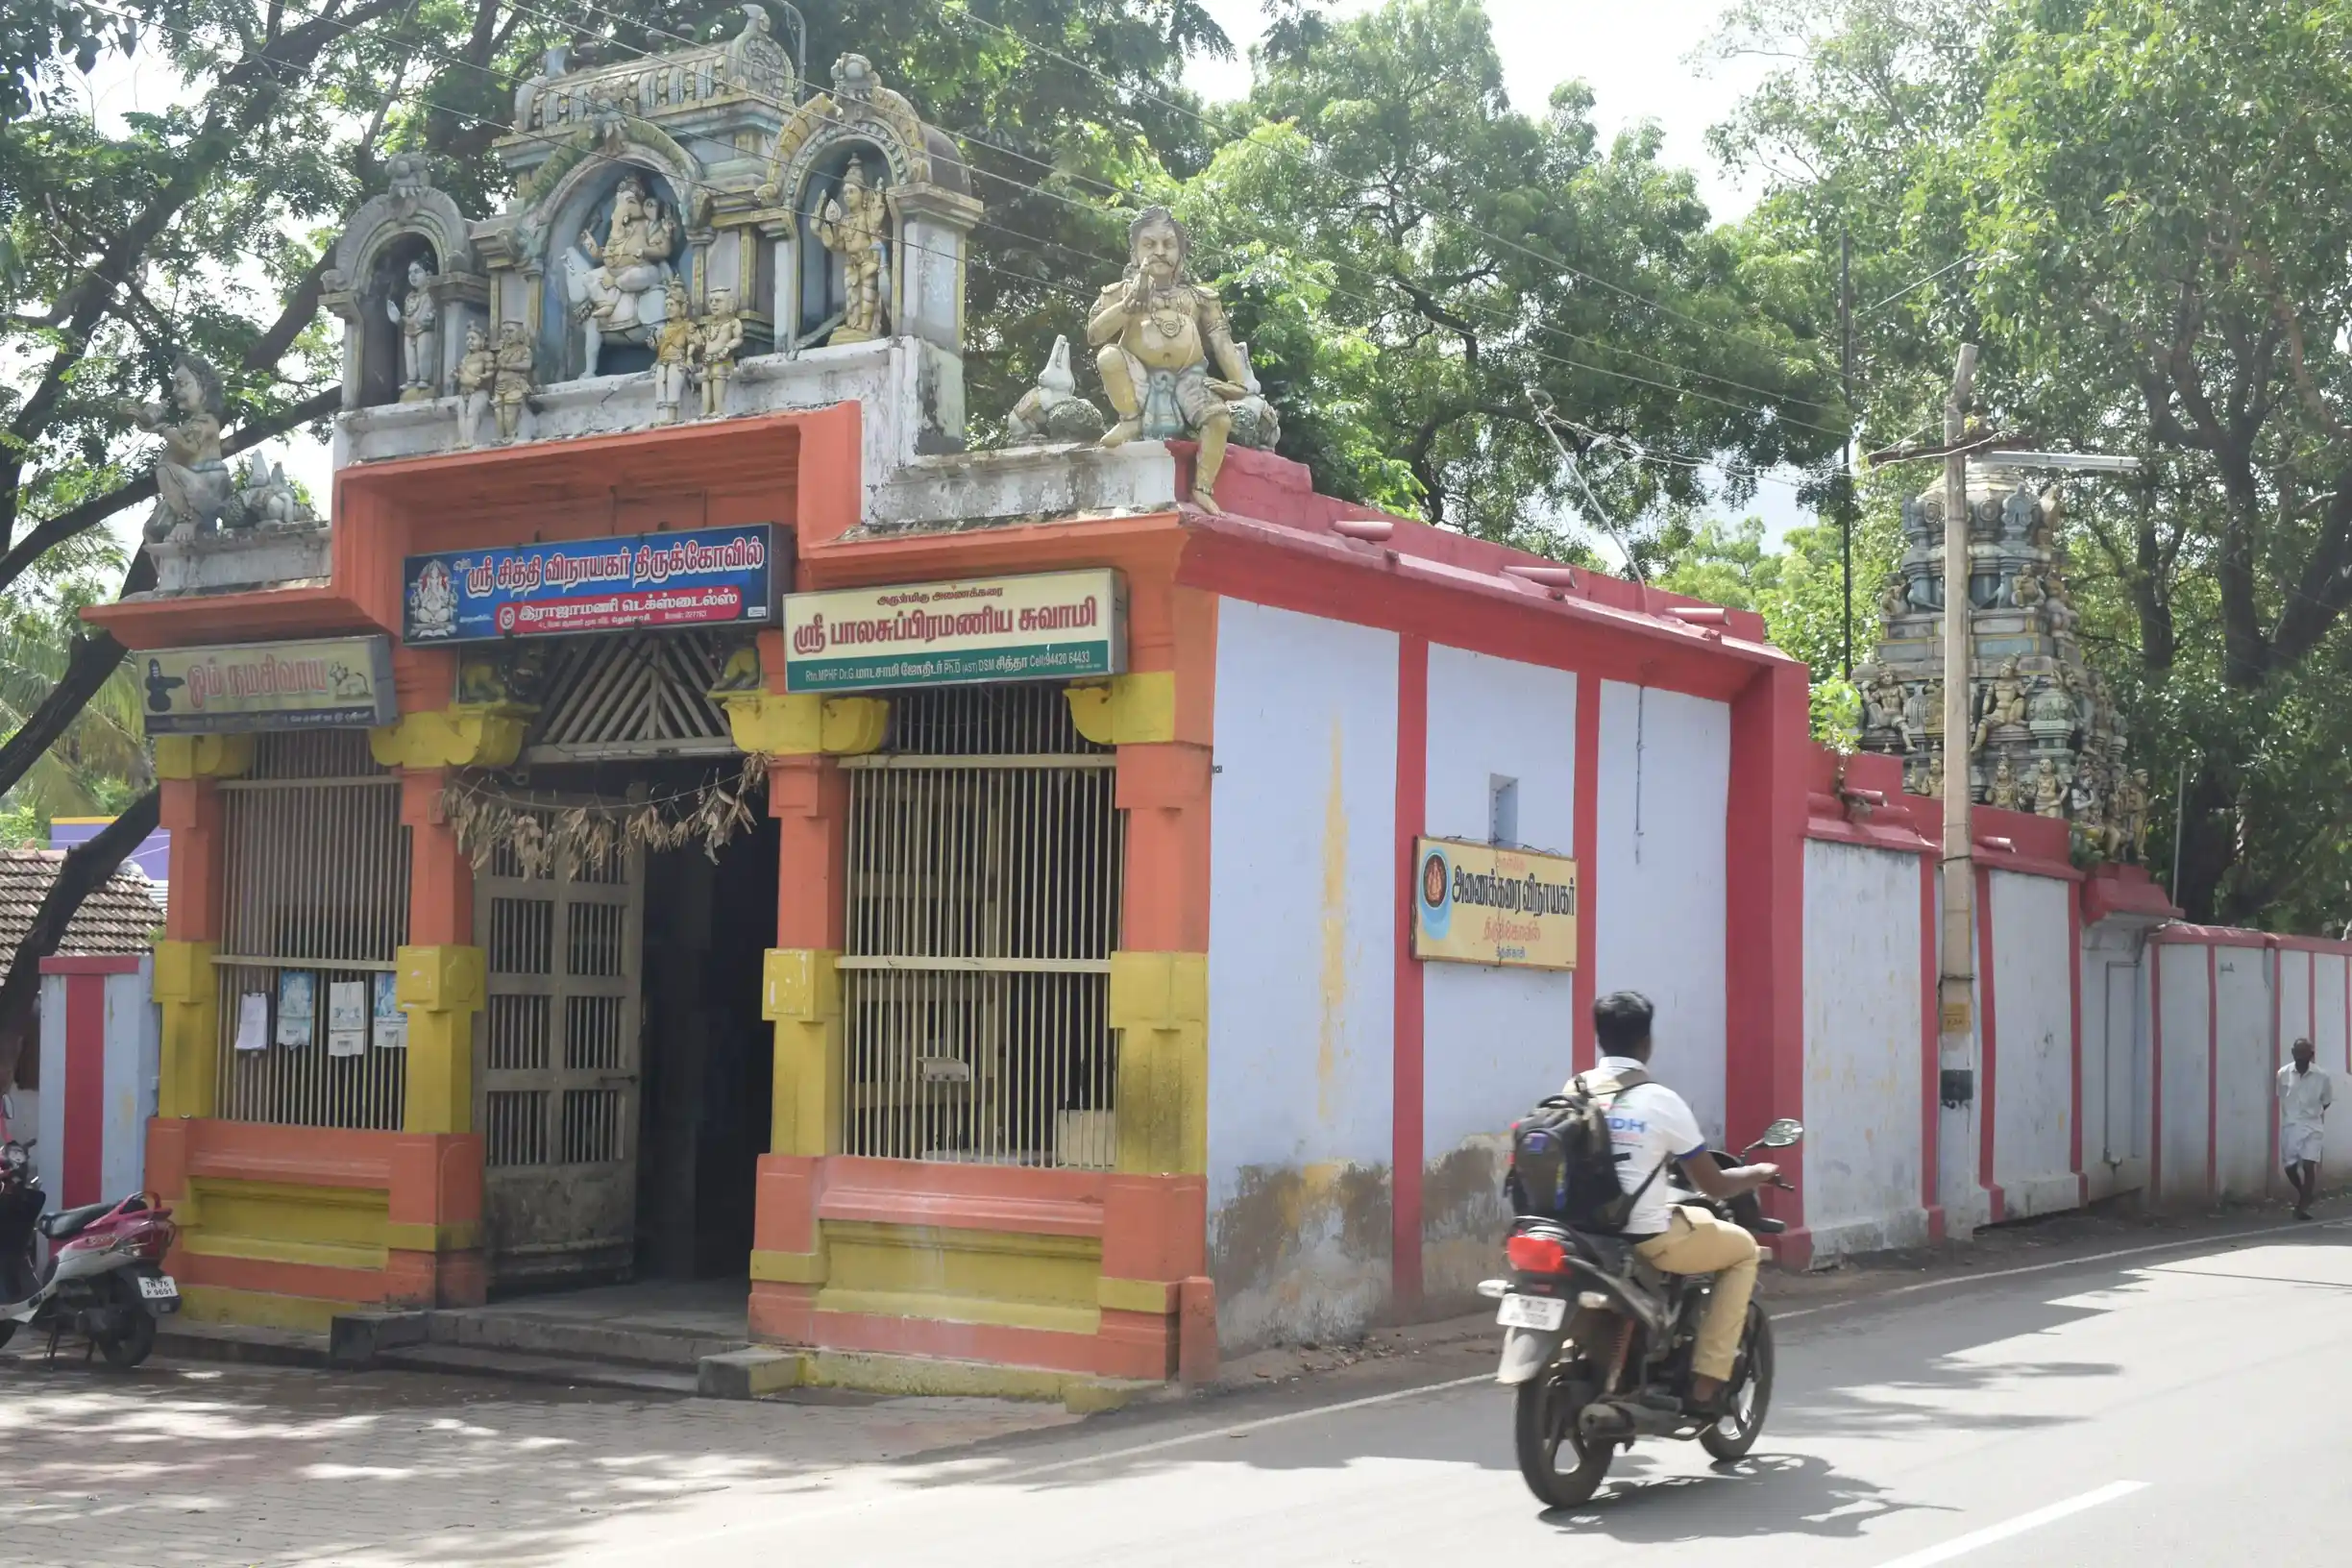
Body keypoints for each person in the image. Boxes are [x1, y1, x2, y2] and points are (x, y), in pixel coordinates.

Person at [1578, 990, 1781, 1413]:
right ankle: (1707, 1383)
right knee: (1743, 1250)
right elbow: (1713, 1184)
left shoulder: (1575, 1089)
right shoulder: (1660, 1100)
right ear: (1646, 1042)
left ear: (1600, 1038)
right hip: (1645, 1237)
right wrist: (1759, 1174)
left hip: (1585, 1237)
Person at [2277, 1037, 2333, 1220]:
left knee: (2309, 1164)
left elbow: (2326, 1101)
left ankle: (2302, 1207)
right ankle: (2304, 1193)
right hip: (2290, 1126)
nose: (2301, 1058)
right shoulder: (2283, 1073)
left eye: (2305, 1055)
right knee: (2290, 1167)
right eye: (2298, 1054)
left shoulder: (2322, 1076)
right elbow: (2282, 1097)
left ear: (2312, 1055)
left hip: (2312, 1125)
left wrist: (2313, 1114)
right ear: (2293, 1053)